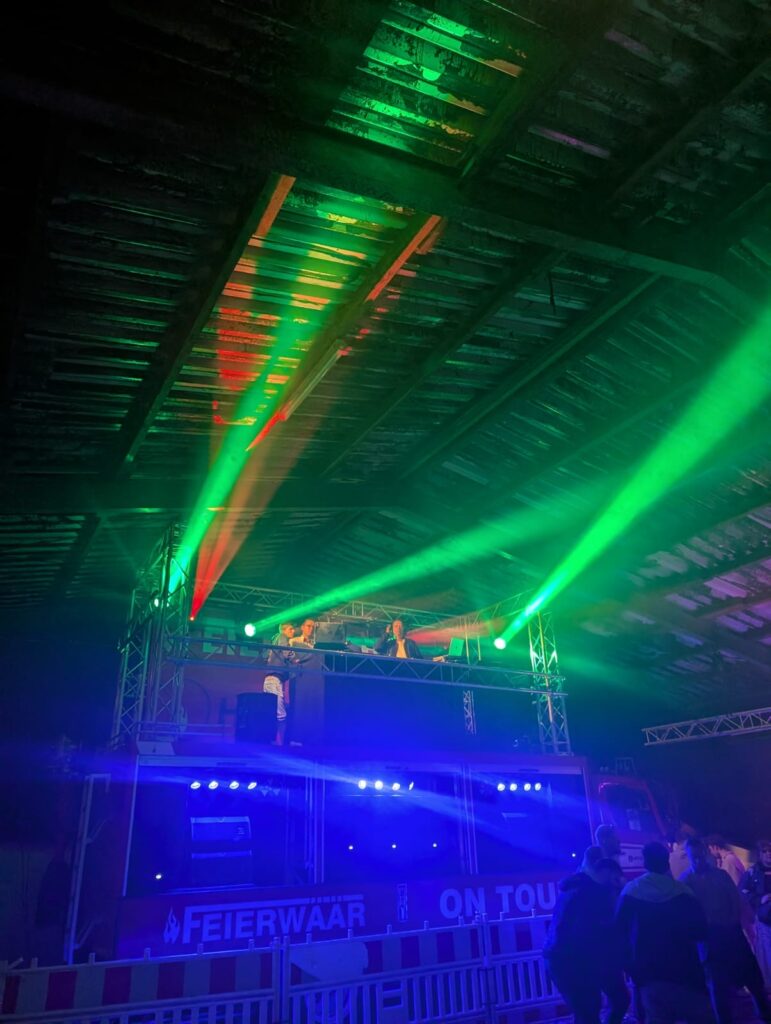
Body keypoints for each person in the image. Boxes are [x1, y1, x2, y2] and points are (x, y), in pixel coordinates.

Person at [615, 841, 712, 1024]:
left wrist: (631, 969)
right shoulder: (683, 892)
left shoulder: (631, 892)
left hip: (649, 976)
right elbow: (701, 931)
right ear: (667, 862)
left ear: (645, 863)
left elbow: (619, 934)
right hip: (687, 973)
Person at [681, 837, 770, 1024]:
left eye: (700, 855)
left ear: (705, 853)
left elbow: (736, 901)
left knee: (754, 981)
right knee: (718, 990)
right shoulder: (685, 881)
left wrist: (736, 924)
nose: (698, 860)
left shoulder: (720, 875)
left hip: (732, 935)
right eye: (694, 857)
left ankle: (764, 1014)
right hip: (709, 942)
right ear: (688, 856)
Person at [544, 848, 629, 1024]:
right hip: (574, 961)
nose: (617, 881)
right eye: (614, 877)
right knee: (591, 1009)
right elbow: (594, 933)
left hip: (565, 960)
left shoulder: (577, 887)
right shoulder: (592, 893)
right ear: (603, 870)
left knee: (591, 1010)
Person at [740, 839, 771, 987]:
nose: (769, 854)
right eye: (765, 851)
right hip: (765, 921)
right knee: (767, 955)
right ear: (760, 854)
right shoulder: (753, 872)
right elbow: (742, 892)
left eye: (770, 851)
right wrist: (760, 899)